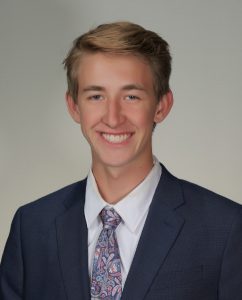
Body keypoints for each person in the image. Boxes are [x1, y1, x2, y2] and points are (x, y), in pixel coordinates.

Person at [0, 21, 242, 300]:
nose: (113, 118)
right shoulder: (31, 227)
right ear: (74, 106)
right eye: (96, 96)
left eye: (131, 96)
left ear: (161, 106)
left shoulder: (226, 229)